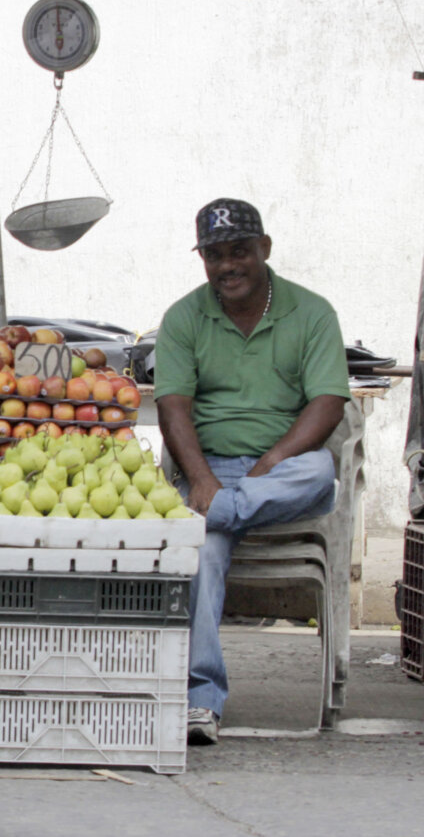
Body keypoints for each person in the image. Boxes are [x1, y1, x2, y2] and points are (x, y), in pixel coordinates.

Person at [154, 197, 350, 744]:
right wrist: (201, 480)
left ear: (264, 249)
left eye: (239, 251)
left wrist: (274, 459)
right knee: (203, 555)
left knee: (319, 472)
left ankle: (220, 513)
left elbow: (329, 402)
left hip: (282, 474)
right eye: (214, 255)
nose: (227, 265)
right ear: (203, 260)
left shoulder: (311, 312)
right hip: (209, 471)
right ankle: (200, 703)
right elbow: (173, 408)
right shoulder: (184, 317)